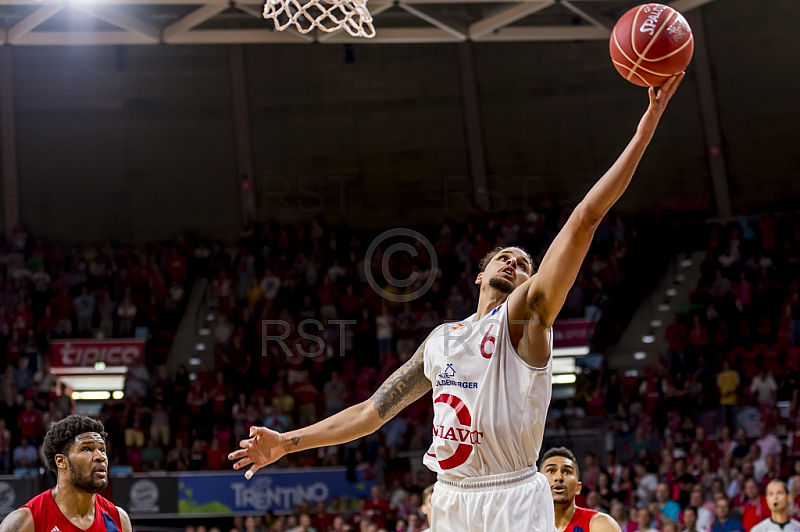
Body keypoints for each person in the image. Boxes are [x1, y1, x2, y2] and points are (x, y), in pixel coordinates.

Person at [229, 73, 686, 531]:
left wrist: (645, 128)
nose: (513, 263)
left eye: (524, 264)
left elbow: (585, 220)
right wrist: (286, 444)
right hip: (450, 497)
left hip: (512, 495)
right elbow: (370, 413)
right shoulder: (441, 340)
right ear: (479, 275)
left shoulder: (526, 319)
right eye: (503, 258)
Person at [0, 415, 132, 532]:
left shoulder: (119, 519)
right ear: (61, 461)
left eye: (102, 450)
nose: (100, 457)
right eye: (86, 449)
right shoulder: (24, 522)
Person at [542, 447, 622, 532]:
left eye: (566, 472)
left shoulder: (601, 524)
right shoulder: (529, 523)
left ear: (578, 487)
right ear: (539, 486)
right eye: (551, 471)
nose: (559, 477)